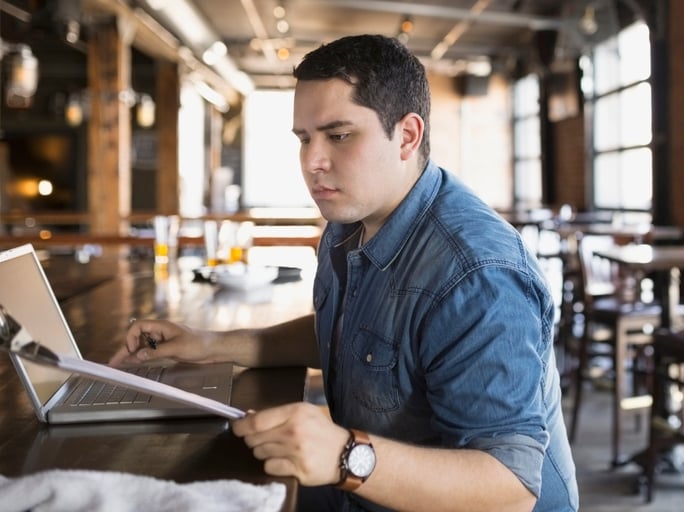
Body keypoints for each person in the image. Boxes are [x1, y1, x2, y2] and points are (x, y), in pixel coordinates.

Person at [112, 34, 578, 512]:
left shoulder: (476, 275)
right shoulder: (349, 221)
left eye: (338, 135)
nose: (312, 162)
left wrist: (343, 456)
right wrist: (208, 345)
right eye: (304, 139)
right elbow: (351, 332)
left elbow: (512, 490)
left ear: (407, 136)